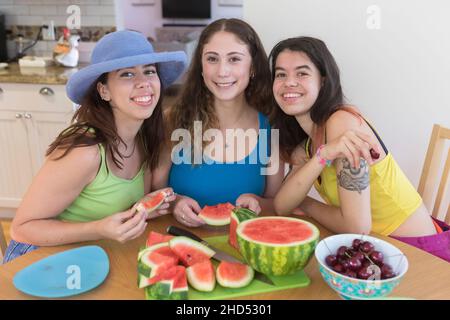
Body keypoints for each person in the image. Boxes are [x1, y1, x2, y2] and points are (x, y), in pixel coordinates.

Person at [3, 30, 187, 263]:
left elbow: (137, 204)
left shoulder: (144, 138)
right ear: (104, 91)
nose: (143, 83)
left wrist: (163, 204)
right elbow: (23, 228)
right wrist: (98, 229)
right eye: (127, 74)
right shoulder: (85, 150)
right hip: (37, 258)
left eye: (149, 71)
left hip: (91, 256)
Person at [270, 36, 450, 262]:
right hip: (375, 252)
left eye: (302, 73)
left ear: (323, 81)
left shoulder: (341, 124)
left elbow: (356, 228)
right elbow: (281, 205)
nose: (289, 82)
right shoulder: (307, 145)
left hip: (420, 255)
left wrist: (305, 203)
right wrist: (322, 155)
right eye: (281, 74)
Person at [156, 19, 284, 227]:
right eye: (212, 59)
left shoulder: (270, 127)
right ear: (201, 66)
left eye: (234, 59)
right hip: (180, 245)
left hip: (245, 249)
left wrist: (259, 203)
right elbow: (152, 191)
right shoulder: (173, 120)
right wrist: (175, 203)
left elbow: (275, 203)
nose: (222, 71)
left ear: (252, 67)